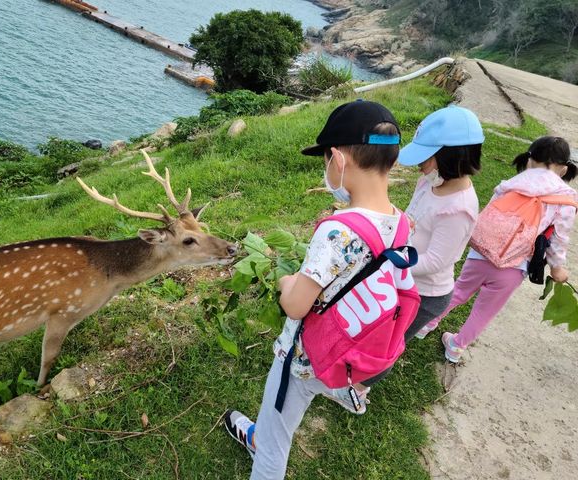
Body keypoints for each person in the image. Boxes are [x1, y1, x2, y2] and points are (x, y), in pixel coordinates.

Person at [223, 100, 415, 480]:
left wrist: (285, 281)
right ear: (390, 161)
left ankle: (259, 444)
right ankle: (347, 389)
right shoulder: (401, 220)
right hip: (348, 345)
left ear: (339, 160)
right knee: (324, 381)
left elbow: (295, 306)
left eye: (325, 160)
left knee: (275, 439)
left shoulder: (336, 231)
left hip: (304, 357)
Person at [338, 105, 484, 392]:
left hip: (425, 293)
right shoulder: (431, 180)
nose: (419, 164)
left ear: (450, 156)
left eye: (425, 156)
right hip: (402, 276)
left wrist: (387, 258)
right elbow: (411, 219)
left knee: (388, 343)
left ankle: (358, 391)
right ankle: (350, 372)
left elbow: (435, 261)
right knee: (374, 329)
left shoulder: (459, 209)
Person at [423, 136, 578, 362]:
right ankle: (456, 346)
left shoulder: (511, 184)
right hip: (515, 266)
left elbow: (488, 217)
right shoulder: (566, 200)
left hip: (481, 253)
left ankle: (426, 324)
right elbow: (558, 239)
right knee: (485, 310)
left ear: (529, 160)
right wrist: (556, 269)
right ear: (564, 170)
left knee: (458, 292)